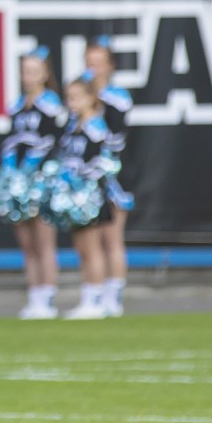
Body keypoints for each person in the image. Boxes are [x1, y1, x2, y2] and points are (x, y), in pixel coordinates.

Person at [2, 48, 64, 318]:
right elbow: (10, 141)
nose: (28, 76)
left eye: (33, 71)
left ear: (45, 74)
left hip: (41, 181)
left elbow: (53, 141)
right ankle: (34, 297)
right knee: (27, 244)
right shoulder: (17, 105)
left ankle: (48, 299)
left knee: (44, 241)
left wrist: (32, 167)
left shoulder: (51, 104)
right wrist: (9, 169)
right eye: (25, 71)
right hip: (18, 182)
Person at [53, 76, 115, 319]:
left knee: (92, 248)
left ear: (91, 98)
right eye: (69, 98)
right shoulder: (73, 126)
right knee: (81, 248)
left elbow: (102, 162)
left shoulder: (96, 126)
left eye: (77, 97)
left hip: (90, 196)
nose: (72, 103)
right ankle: (88, 298)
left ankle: (97, 301)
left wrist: (80, 176)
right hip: (73, 196)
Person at [85, 38, 131, 317]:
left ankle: (114, 298)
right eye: (89, 63)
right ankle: (96, 295)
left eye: (98, 63)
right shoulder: (82, 97)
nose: (93, 69)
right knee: (92, 242)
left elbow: (114, 139)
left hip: (113, 176)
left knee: (112, 239)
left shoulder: (117, 97)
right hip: (89, 179)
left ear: (110, 66)